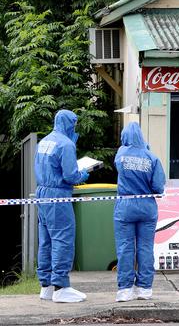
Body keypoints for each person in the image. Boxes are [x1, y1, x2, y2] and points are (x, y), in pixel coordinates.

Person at [35, 109, 90, 303]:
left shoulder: (44, 141)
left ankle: (46, 286)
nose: (75, 127)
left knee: (46, 240)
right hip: (58, 195)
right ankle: (61, 287)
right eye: (74, 124)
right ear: (69, 123)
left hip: (42, 193)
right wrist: (81, 175)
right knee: (62, 239)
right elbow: (70, 175)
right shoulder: (66, 144)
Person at [113, 122, 166, 302]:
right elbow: (159, 188)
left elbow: (119, 165)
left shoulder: (121, 154)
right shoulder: (152, 157)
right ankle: (145, 288)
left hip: (125, 207)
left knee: (125, 247)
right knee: (145, 247)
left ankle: (125, 289)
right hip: (147, 208)